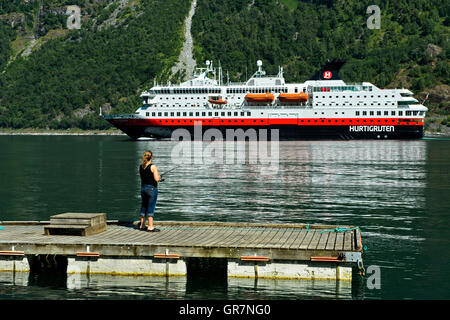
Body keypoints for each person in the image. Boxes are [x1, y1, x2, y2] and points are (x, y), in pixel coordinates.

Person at [139, 150, 161, 232]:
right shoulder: (153, 166)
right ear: (151, 157)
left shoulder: (141, 166)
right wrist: (159, 178)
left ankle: (142, 225)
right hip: (151, 189)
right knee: (151, 207)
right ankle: (150, 226)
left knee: (144, 206)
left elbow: (141, 178)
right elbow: (156, 179)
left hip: (143, 188)